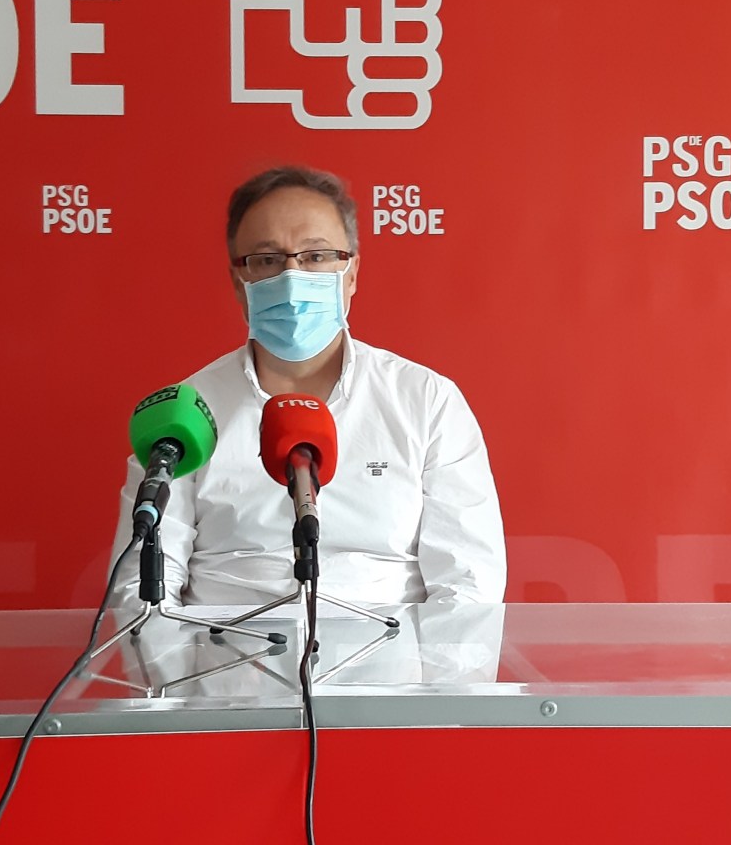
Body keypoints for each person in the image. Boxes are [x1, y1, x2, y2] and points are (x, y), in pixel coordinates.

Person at [109, 165, 505, 608]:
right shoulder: (185, 416)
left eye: (316, 256)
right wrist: (189, 658)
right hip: (221, 649)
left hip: (389, 651)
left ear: (350, 274)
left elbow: (469, 586)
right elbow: (141, 590)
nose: (292, 277)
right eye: (267, 260)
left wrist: (422, 659)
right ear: (239, 282)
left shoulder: (426, 401)